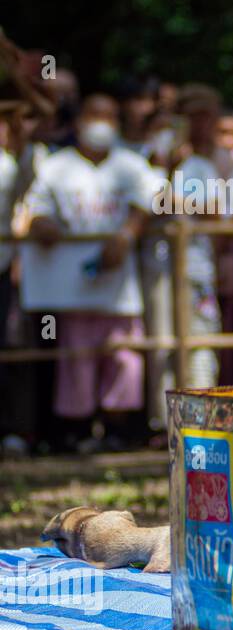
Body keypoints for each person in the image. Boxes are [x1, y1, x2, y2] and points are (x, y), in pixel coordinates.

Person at [21, 94, 161, 451]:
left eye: (110, 115)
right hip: (70, 292)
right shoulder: (56, 165)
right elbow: (36, 209)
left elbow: (152, 198)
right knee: (76, 361)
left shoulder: (131, 164)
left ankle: (117, 432)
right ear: (80, 120)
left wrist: (128, 233)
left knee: (123, 359)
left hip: (118, 291)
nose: (102, 123)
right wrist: (43, 224)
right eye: (95, 115)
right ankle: (79, 432)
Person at [139, 83, 228, 436]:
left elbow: (217, 209)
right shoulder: (144, 164)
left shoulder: (201, 167)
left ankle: (202, 413)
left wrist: (169, 200)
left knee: (201, 339)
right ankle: (164, 424)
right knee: (161, 342)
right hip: (157, 269)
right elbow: (140, 207)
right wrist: (163, 178)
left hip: (197, 269)